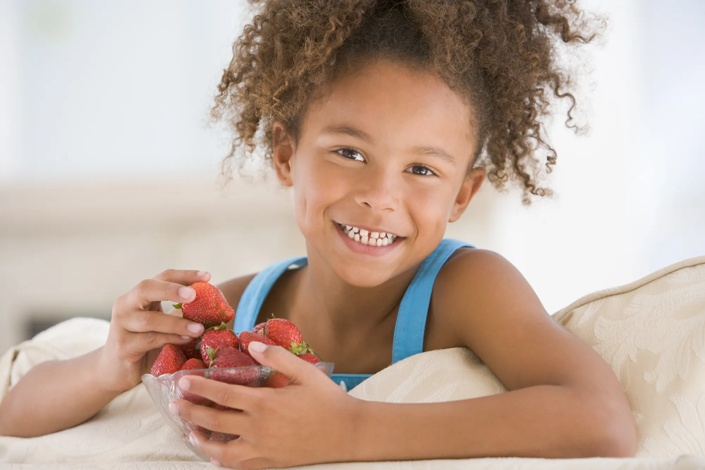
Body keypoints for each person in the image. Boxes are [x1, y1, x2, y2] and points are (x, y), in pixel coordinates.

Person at [0, 0, 638, 468]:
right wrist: (113, 362)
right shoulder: (246, 307)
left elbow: (601, 420)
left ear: (462, 195)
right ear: (285, 155)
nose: (380, 196)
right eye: (349, 153)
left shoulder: (468, 286)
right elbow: (13, 414)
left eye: (422, 169)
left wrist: (351, 432)